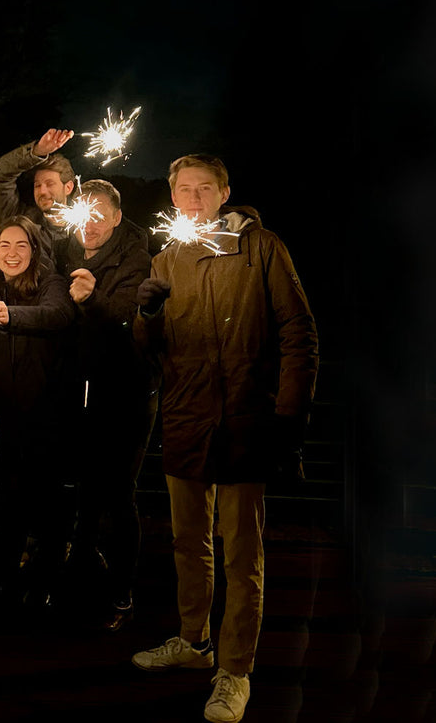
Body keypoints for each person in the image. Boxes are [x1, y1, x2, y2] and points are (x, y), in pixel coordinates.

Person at [131, 155, 319, 723]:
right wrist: (145, 313)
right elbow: (149, 351)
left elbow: (299, 333)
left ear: (224, 192)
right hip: (186, 422)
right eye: (183, 190)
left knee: (242, 554)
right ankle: (194, 642)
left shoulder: (262, 249)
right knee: (189, 544)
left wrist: (287, 417)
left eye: (203, 188)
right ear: (172, 196)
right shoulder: (168, 258)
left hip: (244, 423)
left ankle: (234, 670)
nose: (192, 198)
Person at [52, 179, 155, 632]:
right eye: (83, 212)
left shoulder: (138, 258)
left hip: (126, 391)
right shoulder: (64, 250)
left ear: (116, 217)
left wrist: (93, 298)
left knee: (118, 493)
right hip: (76, 386)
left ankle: (122, 592)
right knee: (82, 491)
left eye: (100, 214)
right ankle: (78, 581)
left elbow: (129, 324)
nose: (89, 223)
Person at [0, 215, 74, 611]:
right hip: (10, 412)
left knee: (46, 498)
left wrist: (14, 314)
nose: (11, 253)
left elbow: (59, 315)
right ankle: (6, 577)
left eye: (21, 246)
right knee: (10, 496)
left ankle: (46, 580)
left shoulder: (50, 283)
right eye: (4, 246)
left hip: (47, 412)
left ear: (34, 250)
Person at [0, 128, 76, 261]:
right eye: (37, 185)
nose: (42, 191)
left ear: (68, 187)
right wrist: (37, 152)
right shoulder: (21, 222)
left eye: (50, 184)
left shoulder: (88, 228)